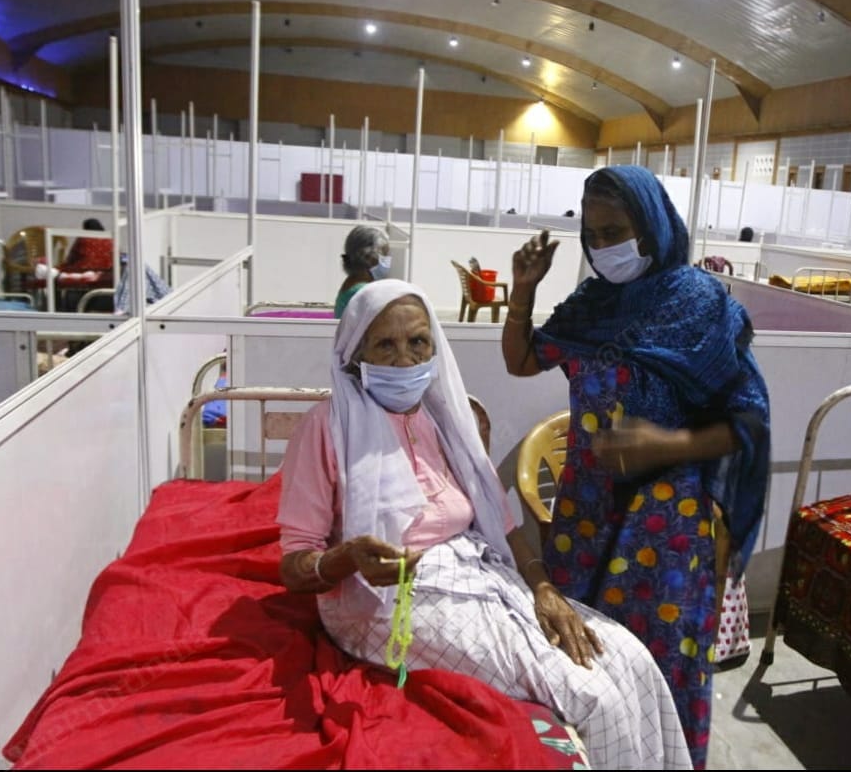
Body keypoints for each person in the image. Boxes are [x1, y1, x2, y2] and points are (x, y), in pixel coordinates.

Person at [276, 279, 691, 770]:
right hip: (385, 600)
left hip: (474, 568)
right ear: (354, 356)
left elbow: (505, 524)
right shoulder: (327, 428)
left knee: (633, 658)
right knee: (590, 694)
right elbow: (294, 565)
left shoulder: (446, 419)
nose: (405, 360)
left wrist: (543, 590)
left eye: (418, 343)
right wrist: (346, 558)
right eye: (384, 344)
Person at [501, 164, 772, 769]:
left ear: (651, 226)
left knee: (660, 665)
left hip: (665, 528)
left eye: (614, 230)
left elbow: (746, 420)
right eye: (592, 235)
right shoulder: (592, 303)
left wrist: (663, 445)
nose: (603, 247)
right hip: (584, 512)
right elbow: (521, 361)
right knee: (580, 663)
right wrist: (524, 289)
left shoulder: (701, 304)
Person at [333, 225, 391, 319]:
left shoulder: (351, 284)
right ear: (369, 257)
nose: (387, 260)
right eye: (384, 255)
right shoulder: (364, 293)